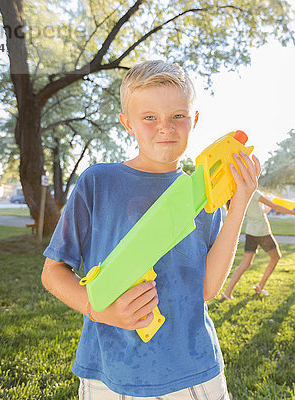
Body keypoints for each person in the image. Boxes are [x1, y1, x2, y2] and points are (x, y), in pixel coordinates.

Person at [41, 60, 261, 399]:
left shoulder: (202, 194)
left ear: (194, 120)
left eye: (178, 116)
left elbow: (207, 288)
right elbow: (53, 272)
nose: (166, 128)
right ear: (127, 123)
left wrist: (239, 203)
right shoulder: (97, 182)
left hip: (192, 370)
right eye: (149, 118)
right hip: (109, 370)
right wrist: (97, 308)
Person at [221, 191, 295, 299]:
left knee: (245, 263)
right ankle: (260, 286)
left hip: (251, 231)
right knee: (276, 257)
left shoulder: (240, 193)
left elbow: (256, 211)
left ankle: (227, 293)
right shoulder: (253, 192)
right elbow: (276, 207)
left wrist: (266, 210)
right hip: (262, 231)